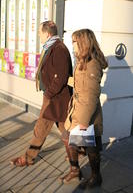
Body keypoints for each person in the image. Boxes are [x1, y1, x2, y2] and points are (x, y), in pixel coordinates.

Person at [10, 20, 72, 166]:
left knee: (41, 127)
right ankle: (77, 153)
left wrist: (48, 94)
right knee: (64, 128)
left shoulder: (59, 49)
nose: (38, 35)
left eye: (40, 33)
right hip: (55, 97)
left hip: (55, 98)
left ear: (47, 33)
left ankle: (28, 157)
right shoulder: (52, 47)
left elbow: (61, 76)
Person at [60, 29, 108, 188]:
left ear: (83, 43)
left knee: (90, 147)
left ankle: (96, 177)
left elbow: (91, 96)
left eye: (74, 41)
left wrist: (83, 122)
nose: (72, 44)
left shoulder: (92, 64)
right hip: (78, 109)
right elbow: (83, 84)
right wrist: (66, 80)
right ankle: (76, 170)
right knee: (72, 140)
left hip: (86, 114)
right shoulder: (83, 61)